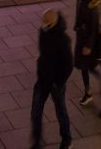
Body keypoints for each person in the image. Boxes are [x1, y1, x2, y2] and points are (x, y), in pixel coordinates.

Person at [29, 9, 73, 149]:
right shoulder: (43, 31)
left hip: (55, 84)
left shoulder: (63, 39)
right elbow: (43, 53)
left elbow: (68, 65)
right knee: (35, 112)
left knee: (61, 111)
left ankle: (67, 140)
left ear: (52, 22)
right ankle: (36, 142)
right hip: (42, 80)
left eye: (45, 21)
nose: (42, 24)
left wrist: (58, 82)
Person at [74, 0, 100, 108]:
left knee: (85, 66)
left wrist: (88, 46)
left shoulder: (92, 8)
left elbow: (94, 29)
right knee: (87, 66)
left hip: (86, 43)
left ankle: (88, 93)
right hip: (81, 38)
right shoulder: (81, 0)